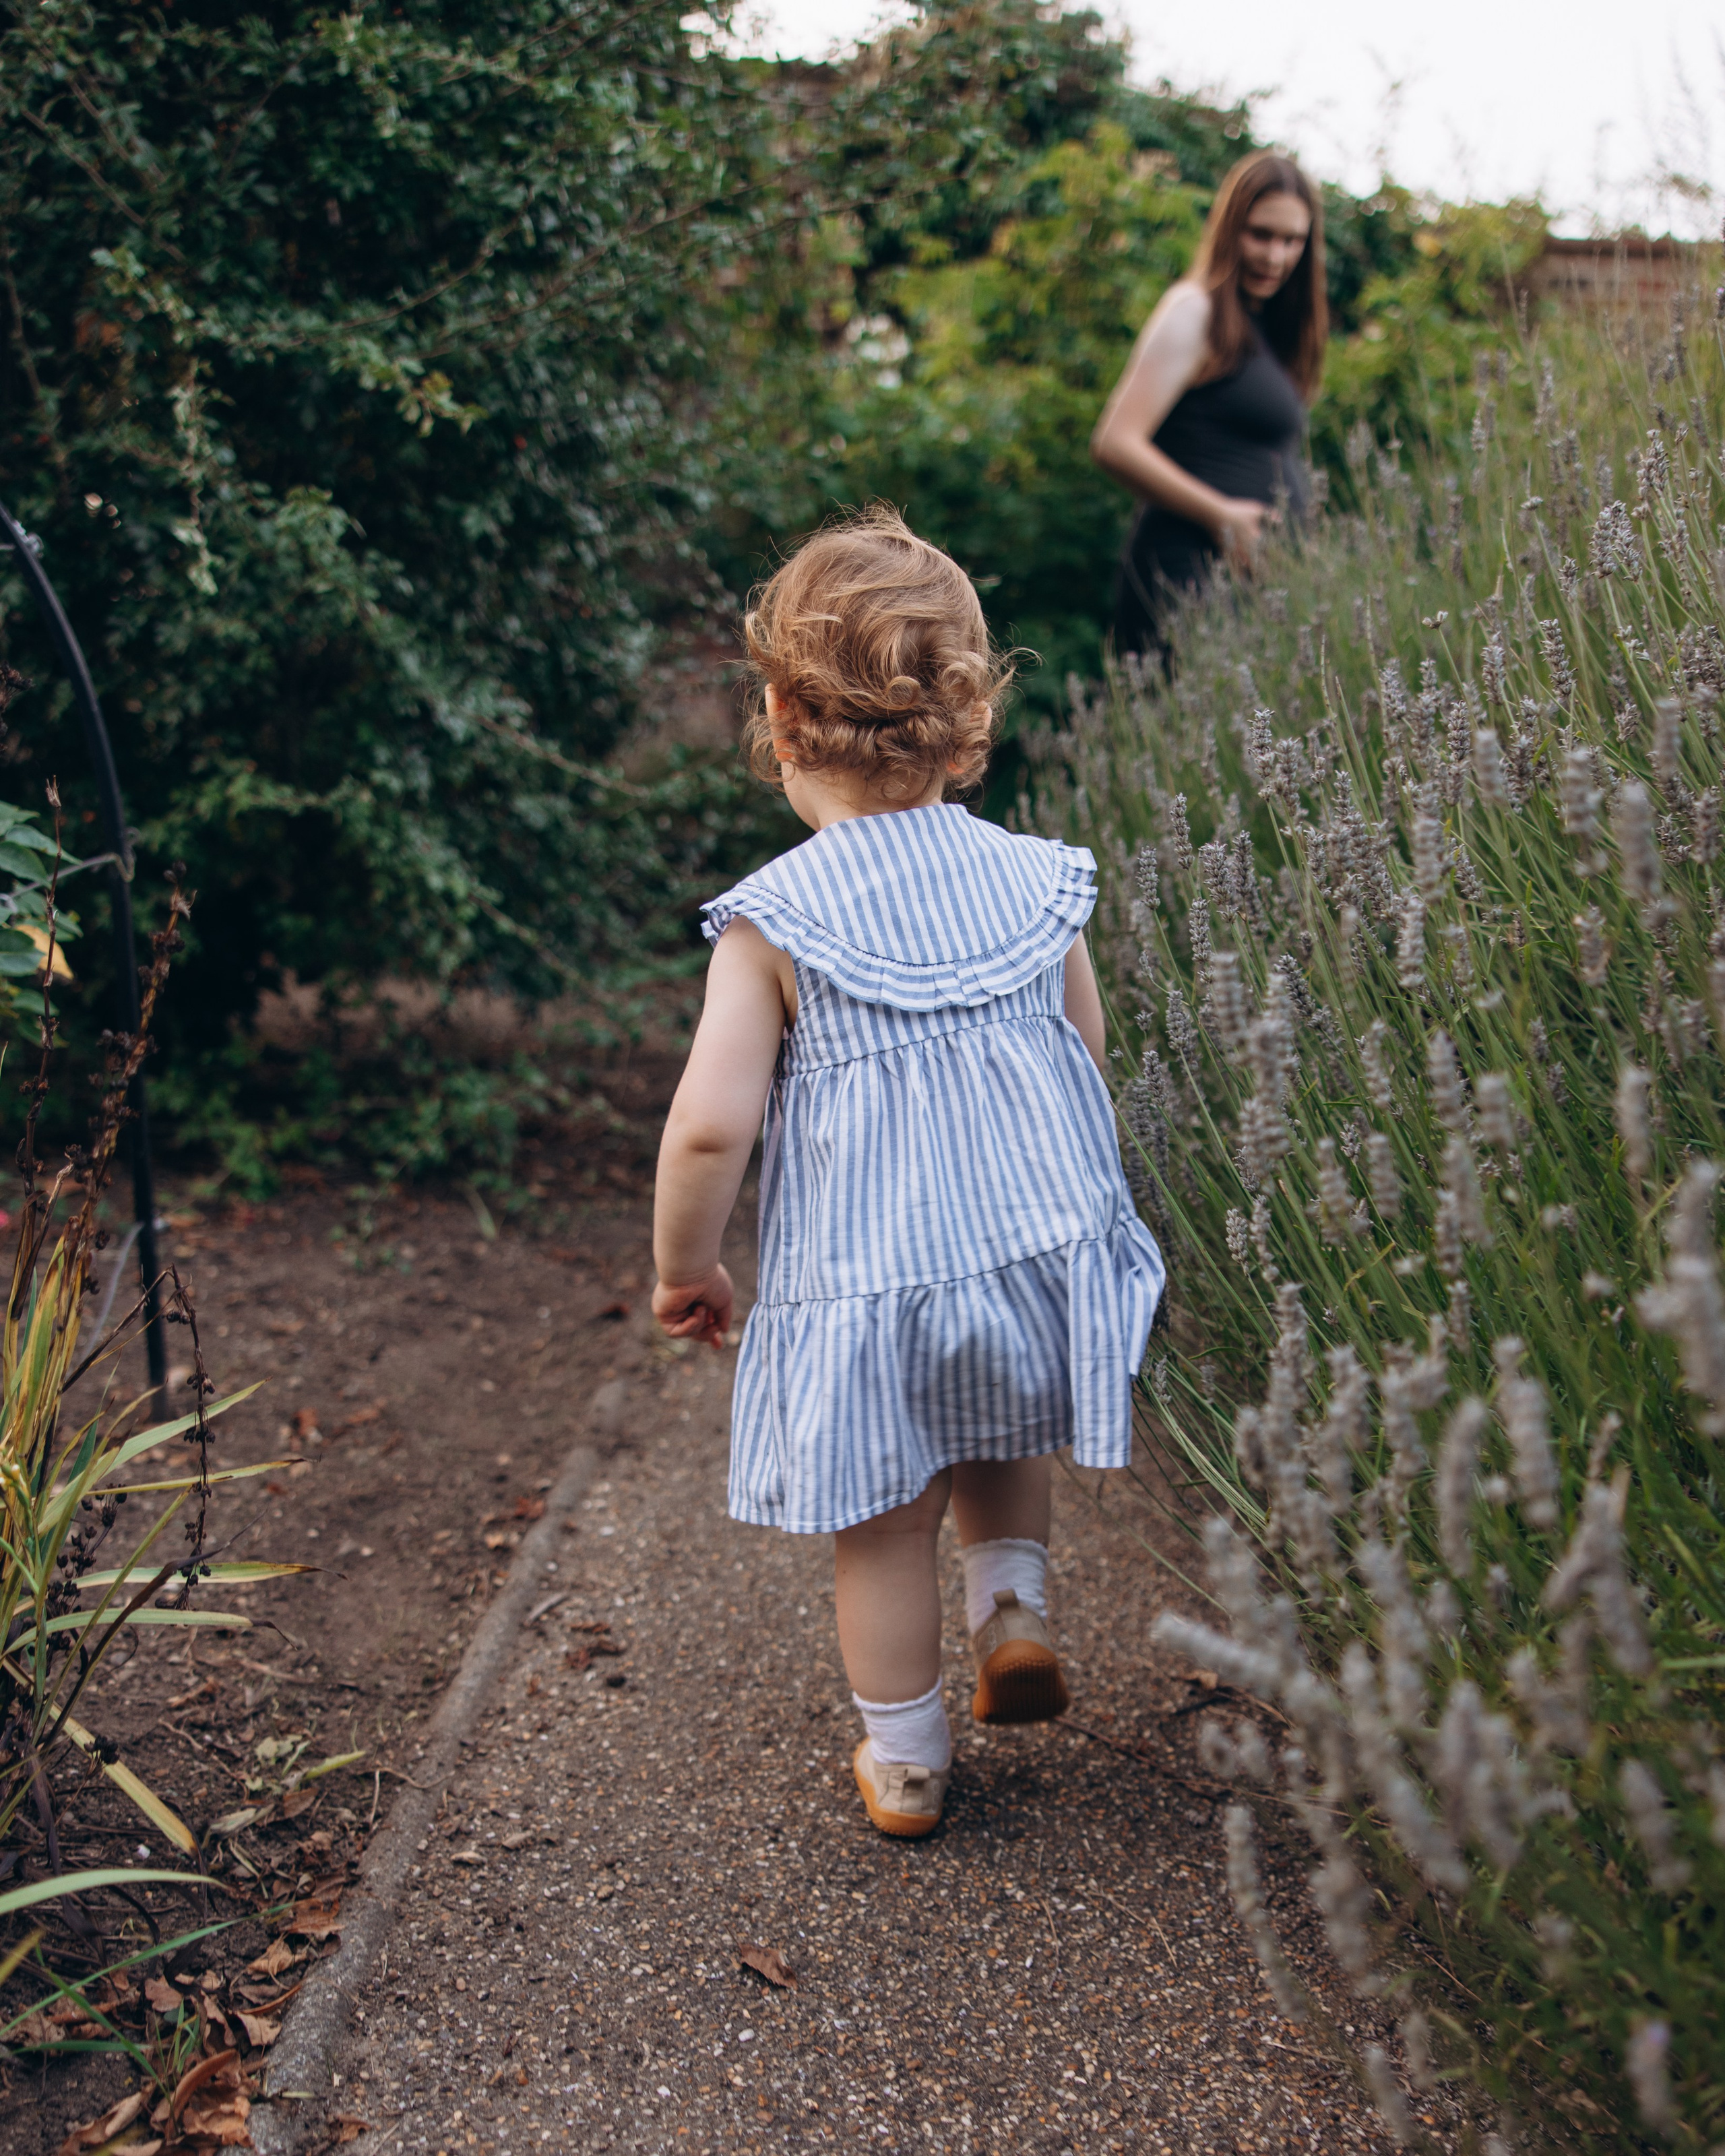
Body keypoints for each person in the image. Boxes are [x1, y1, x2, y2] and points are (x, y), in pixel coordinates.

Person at [651, 507, 1164, 1838]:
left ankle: (910, 1761)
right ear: (967, 716)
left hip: (868, 1283)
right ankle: (1013, 1610)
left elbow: (709, 1126)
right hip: (1023, 1247)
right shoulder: (1036, 882)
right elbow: (1083, 1051)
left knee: (882, 1526)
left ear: (780, 717)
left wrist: (687, 1266)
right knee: (1000, 1431)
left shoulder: (773, 921)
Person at [1091, 149, 1327, 661]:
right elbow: (1115, 441)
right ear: (1229, 227)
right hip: (1185, 577)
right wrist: (1223, 516)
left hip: (1239, 587)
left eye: (1292, 241)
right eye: (1260, 234)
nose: (1275, 257)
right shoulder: (1195, 309)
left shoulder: (1262, 326)